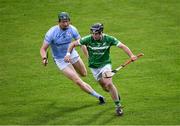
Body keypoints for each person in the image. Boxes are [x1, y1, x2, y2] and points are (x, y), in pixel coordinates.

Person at [64, 23, 137, 116]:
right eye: (93, 33)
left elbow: (122, 46)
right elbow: (72, 44)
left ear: (101, 32)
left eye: (96, 33)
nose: (94, 35)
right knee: (105, 88)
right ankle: (115, 94)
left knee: (109, 83)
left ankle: (118, 106)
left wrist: (131, 55)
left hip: (105, 65)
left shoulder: (109, 39)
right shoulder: (88, 39)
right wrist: (67, 54)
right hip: (94, 67)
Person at [40, 12, 105, 105]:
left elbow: (82, 44)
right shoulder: (51, 33)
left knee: (84, 74)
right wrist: (44, 58)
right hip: (60, 60)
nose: (65, 24)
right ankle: (99, 97)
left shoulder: (72, 29)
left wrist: (88, 57)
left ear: (69, 21)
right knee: (78, 80)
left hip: (72, 54)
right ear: (58, 22)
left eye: (67, 21)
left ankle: (73, 70)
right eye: (63, 22)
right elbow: (43, 48)